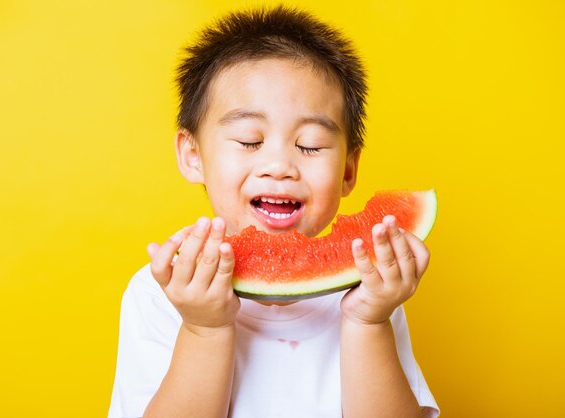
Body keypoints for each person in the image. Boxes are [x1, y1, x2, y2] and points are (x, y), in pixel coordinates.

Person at [108, 5, 440, 418]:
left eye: (311, 145)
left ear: (348, 171)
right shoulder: (164, 292)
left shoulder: (370, 285)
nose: (280, 166)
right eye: (250, 141)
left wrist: (369, 322)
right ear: (193, 155)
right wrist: (203, 327)